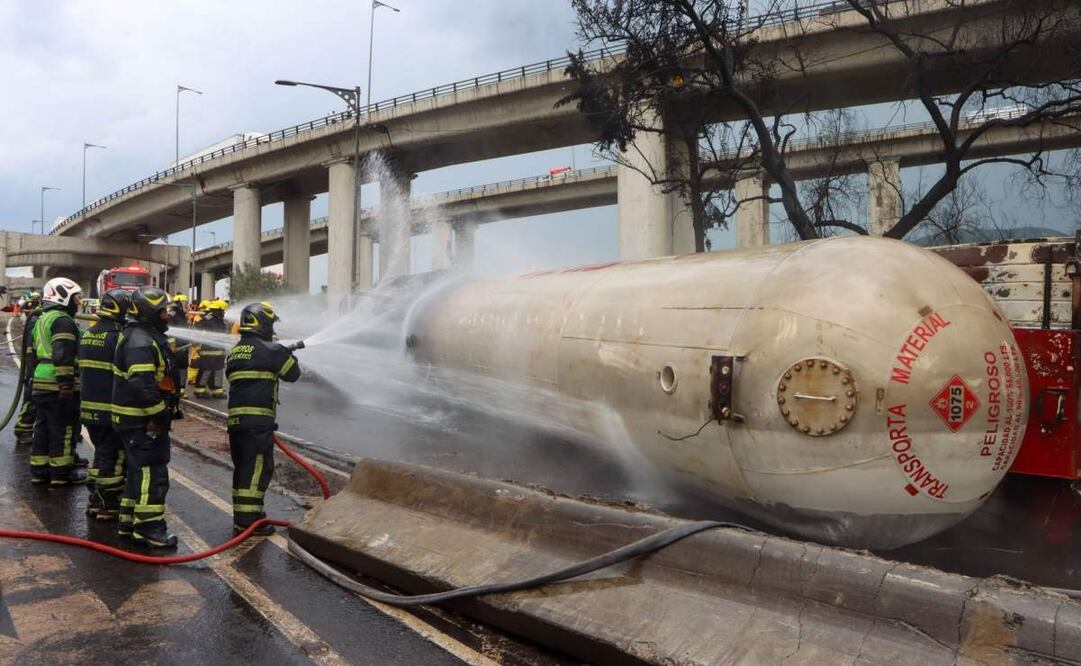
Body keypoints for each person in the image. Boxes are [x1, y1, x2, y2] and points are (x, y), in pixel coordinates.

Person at [112, 286, 181, 548]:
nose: (167, 315)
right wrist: (159, 414)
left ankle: (129, 521)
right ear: (149, 313)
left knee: (137, 473)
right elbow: (141, 383)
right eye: (163, 311)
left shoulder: (141, 336)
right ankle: (150, 529)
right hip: (143, 421)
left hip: (134, 420)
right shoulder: (141, 341)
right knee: (153, 475)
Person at [226, 302, 300, 535]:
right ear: (263, 323)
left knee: (243, 468)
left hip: (236, 422)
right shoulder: (273, 351)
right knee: (257, 468)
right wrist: (285, 352)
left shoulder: (236, 351)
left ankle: (244, 517)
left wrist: (280, 351)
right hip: (257, 423)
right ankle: (249, 521)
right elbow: (293, 374)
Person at [29, 278, 86, 487]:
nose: (77, 302)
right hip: (56, 383)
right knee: (63, 429)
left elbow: (35, 352)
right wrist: (66, 384)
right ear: (63, 296)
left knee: (42, 427)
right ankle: (61, 473)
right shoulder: (63, 321)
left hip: (42, 380)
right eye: (75, 298)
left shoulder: (43, 318)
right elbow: (63, 354)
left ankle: (40, 470)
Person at [80, 289, 130, 519]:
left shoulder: (89, 333)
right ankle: (107, 505)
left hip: (90, 408)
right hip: (110, 409)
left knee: (101, 454)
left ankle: (95, 499)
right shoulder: (118, 336)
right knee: (114, 457)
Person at [13, 291, 43, 446]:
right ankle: (23, 430)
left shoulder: (41, 316)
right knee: (31, 399)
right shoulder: (35, 318)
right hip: (34, 366)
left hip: (38, 366)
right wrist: (31, 371)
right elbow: (32, 347)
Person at [192, 299, 227, 398]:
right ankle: (199, 390)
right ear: (218, 310)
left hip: (219, 352)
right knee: (205, 371)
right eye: (223, 311)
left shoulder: (220, 320)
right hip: (207, 351)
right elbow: (196, 329)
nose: (224, 313)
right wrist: (198, 337)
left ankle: (217, 391)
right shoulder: (207, 319)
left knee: (218, 371)